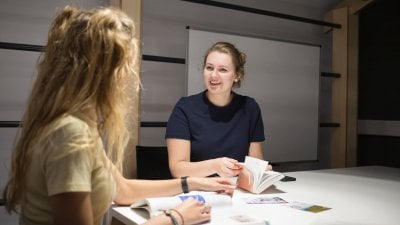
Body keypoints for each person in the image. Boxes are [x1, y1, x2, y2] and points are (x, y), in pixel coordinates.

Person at [2, 6, 235, 225]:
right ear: (103, 74)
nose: (128, 79)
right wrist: (175, 218)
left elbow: (123, 191)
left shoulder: (76, 125)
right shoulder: (71, 134)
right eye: (126, 68)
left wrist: (191, 183)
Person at [166, 41, 271, 178]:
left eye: (223, 70)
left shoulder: (250, 107)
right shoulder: (185, 107)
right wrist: (214, 166)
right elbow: (178, 170)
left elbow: (255, 162)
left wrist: (261, 170)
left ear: (237, 75)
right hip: (199, 191)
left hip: (237, 191)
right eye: (209, 68)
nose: (214, 75)